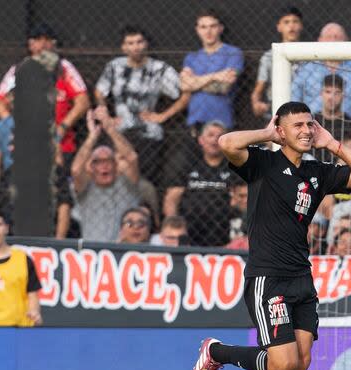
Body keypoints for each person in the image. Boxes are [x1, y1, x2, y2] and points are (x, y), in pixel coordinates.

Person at [191, 101, 351, 370]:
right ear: (282, 130)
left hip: (301, 280)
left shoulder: (317, 173)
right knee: (282, 362)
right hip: (269, 278)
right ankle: (215, 352)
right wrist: (267, 134)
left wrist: (333, 144)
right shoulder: (262, 164)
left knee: (302, 360)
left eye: (310, 125)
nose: (307, 131)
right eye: (298, 126)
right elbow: (226, 143)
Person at [95, 25, 189, 185]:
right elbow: (99, 91)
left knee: (144, 182)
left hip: (148, 134)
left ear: (146, 44)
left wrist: (163, 116)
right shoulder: (114, 66)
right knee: (117, 180)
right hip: (119, 133)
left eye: (139, 42)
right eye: (130, 43)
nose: (135, 47)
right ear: (123, 47)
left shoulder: (159, 68)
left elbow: (186, 92)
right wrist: (106, 116)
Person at [0, 23, 89, 165]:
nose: (43, 44)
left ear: (54, 45)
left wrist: (62, 128)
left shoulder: (64, 68)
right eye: (38, 40)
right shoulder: (18, 70)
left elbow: (83, 102)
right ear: (30, 45)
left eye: (47, 40)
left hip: (61, 144)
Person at [291, 23, 351, 132]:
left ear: (346, 41)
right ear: (319, 40)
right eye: (329, 37)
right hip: (313, 131)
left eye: (337, 37)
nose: (333, 41)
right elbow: (293, 101)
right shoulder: (307, 69)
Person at [163, 121, 241, 247]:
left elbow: (241, 199)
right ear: (201, 140)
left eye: (220, 136)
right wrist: (173, 226)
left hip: (224, 230)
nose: (215, 139)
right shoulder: (188, 165)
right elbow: (172, 198)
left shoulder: (234, 168)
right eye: (210, 135)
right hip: (190, 231)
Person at [71, 107, 141, 242]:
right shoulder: (86, 187)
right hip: (93, 251)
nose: (104, 165)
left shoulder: (127, 185)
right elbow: (76, 170)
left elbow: (132, 158)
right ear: (91, 167)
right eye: (98, 162)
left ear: (116, 165)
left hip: (122, 252)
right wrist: (92, 136)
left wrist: (110, 128)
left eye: (109, 160)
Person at [180, 8, 243, 130]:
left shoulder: (233, 53)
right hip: (195, 121)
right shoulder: (191, 57)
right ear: (197, 30)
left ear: (220, 28)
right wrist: (215, 76)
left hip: (222, 121)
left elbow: (224, 87)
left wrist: (195, 82)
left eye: (213, 26)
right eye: (203, 27)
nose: (208, 31)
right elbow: (184, 86)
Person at [252, 6, 304, 121]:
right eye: (286, 22)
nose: (291, 26)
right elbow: (258, 89)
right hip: (277, 110)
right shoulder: (269, 57)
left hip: (305, 108)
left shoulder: (310, 56)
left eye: (295, 21)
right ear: (279, 27)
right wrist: (256, 103)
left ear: (301, 26)